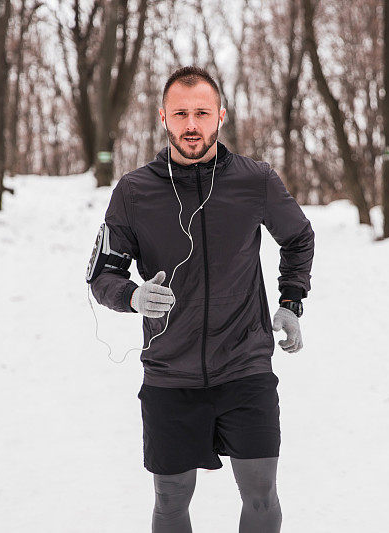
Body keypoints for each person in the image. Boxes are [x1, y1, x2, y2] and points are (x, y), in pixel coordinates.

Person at [89, 65, 314, 533]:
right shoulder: (134, 192)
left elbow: (298, 237)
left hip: (245, 366)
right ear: (163, 118)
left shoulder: (256, 181)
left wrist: (290, 302)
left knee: (260, 493)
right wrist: (132, 297)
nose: (192, 124)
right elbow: (102, 275)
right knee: (170, 500)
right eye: (181, 113)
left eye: (202, 113)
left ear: (221, 117)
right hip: (170, 374)